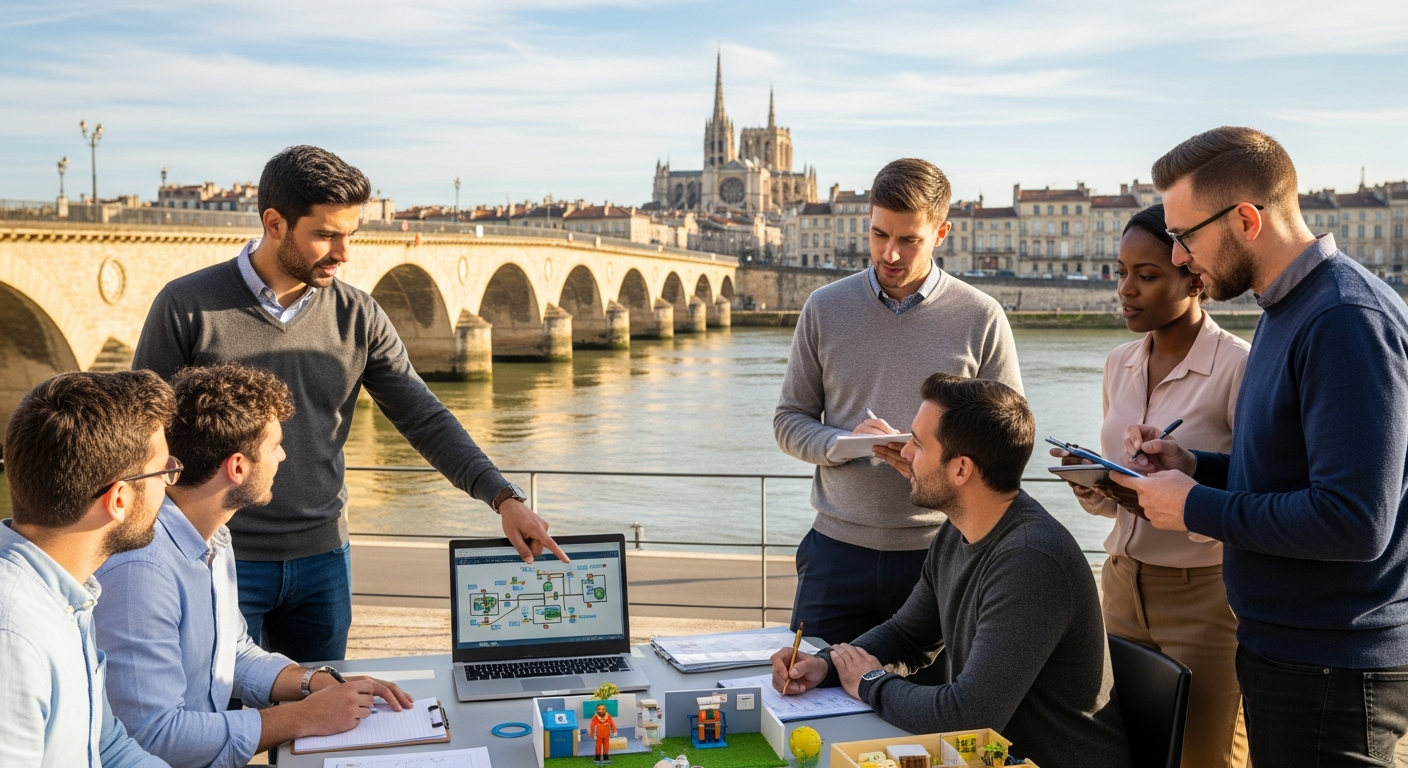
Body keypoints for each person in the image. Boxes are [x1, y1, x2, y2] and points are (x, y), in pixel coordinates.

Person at [132, 145, 567, 662]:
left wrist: (503, 497)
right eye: (326, 235)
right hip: (215, 556)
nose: (343, 253)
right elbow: (142, 436)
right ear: (274, 223)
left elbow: (423, 416)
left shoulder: (359, 314)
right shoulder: (186, 306)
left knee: (323, 704)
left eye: (350, 235)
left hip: (323, 561)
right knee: (220, 705)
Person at [1111, 126, 1408, 766]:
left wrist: (1193, 507)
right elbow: (1286, 475)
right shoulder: (1290, 307)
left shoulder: (1344, 319)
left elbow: (1356, 521)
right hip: (1293, 647)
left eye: (1185, 236)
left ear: (1246, 220)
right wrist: (1195, 466)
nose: (1181, 256)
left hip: (1332, 663)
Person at [772, 374, 1130, 768]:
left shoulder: (1031, 561)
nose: (905, 453)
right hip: (994, 758)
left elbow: (968, 717)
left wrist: (870, 683)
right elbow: (909, 636)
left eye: (918, 443)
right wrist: (826, 665)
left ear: (961, 469)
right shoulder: (957, 531)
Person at [93, 363, 415, 767]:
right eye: (274, 445)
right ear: (238, 467)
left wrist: (318, 682)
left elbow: (233, 654)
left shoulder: (214, 538)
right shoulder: (141, 572)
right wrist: (303, 717)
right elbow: (156, 737)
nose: (282, 455)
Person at [774, 158, 1023, 649]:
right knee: (808, 687)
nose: (889, 253)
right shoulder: (823, 308)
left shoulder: (982, 317)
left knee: (936, 696)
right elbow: (789, 420)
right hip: (834, 553)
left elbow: (1009, 442)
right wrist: (842, 443)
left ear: (941, 233)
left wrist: (936, 461)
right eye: (878, 234)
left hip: (942, 553)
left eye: (908, 239)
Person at [1054, 204, 1249, 768]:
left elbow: (1254, 492)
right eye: (1121, 273)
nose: (1126, 289)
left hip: (1207, 597)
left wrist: (1183, 489)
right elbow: (1124, 496)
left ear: (1196, 278)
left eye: (1146, 275)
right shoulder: (1118, 364)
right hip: (1119, 586)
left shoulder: (1240, 367)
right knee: (1126, 750)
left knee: (1205, 756)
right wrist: (1095, 487)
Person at [0, 370, 174, 767]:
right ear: (119, 499)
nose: (169, 484)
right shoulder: (12, 636)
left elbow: (107, 748)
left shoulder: (67, 594)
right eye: (163, 470)